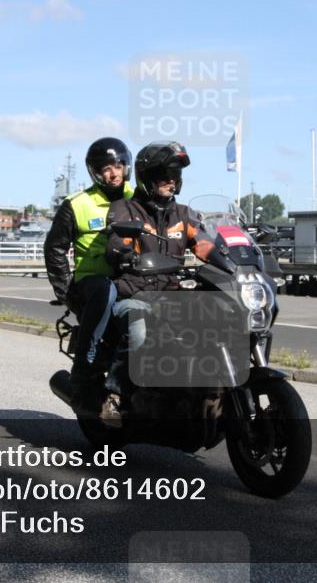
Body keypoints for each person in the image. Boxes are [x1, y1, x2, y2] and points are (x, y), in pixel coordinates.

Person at [103, 141, 215, 426]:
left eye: (175, 174)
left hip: (171, 296)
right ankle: (114, 394)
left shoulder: (184, 214)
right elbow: (116, 245)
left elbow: (205, 246)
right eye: (165, 174)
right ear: (147, 177)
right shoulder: (125, 209)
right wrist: (127, 256)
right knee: (138, 330)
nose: (172, 180)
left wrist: (234, 258)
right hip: (135, 293)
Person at [44, 137, 134, 408]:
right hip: (93, 281)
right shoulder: (77, 204)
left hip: (132, 278)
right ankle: (85, 362)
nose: (114, 172)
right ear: (95, 172)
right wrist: (66, 292)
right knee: (104, 291)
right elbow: (55, 249)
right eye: (106, 167)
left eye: (118, 165)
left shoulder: (138, 198)